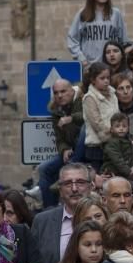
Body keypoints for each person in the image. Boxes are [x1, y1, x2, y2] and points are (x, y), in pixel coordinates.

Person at [39, 78, 84, 208]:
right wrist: (64, 149)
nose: (59, 95)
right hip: (71, 150)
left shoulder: (83, 99)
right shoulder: (56, 110)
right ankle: (49, 208)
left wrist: (71, 118)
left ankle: (70, 165)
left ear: (72, 91)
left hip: (87, 148)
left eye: (63, 91)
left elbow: (88, 116)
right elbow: (59, 139)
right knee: (44, 168)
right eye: (56, 92)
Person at [66, 0, 127, 65]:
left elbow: (123, 40)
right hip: (89, 65)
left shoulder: (116, 13)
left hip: (111, 65)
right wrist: (81, 58)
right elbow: (72, 39)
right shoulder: (82, 13)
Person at [82, 62, 119, 171]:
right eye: (102, 78)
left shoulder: (113, 94)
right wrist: (112, 136)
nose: (106, 81)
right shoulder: (90, 98)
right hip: (97, 147)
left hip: (113, 143)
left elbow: (117, 115)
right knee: (99, 178)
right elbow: (97, 123)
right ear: (93, 80)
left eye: (108, 77)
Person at [101, 112, 133, 177]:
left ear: (128, 128)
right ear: (111, 129)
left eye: (124, 126)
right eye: (117, 126)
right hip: (111, 172)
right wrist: (129, 172)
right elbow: (117, 160)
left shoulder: (130, 139)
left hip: (123, 170)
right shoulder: (111, 143)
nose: (121, 128)